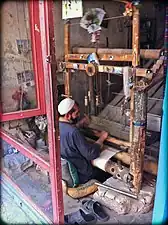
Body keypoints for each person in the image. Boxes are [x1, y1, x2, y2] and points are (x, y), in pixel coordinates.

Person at [58, 97, 110, 184]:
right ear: (67, 116)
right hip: (82, 174)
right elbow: (90, 154)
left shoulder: (57, 126)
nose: (78, 115)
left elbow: (68, 133)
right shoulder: (74, 132)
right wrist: (102, 138)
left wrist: (80, 124)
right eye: (76, 113)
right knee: (107, 175)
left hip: (69, 168)